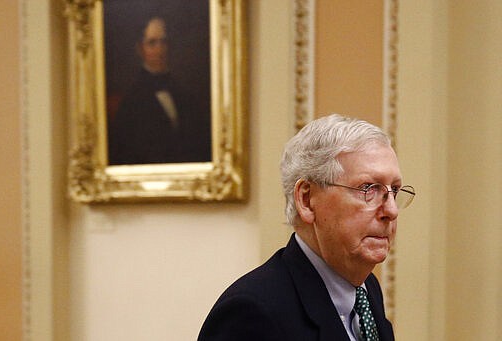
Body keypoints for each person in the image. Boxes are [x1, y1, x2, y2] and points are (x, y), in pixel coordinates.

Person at [198, 114, 416, 340]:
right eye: (368, 189)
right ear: (307, 199)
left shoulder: (366, 289)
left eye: (395, 190)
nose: (391, 211)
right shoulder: (252, 314)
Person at [108, 17, 211, 165]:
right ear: (140, 49)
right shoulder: (132, 101)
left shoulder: (183, 94)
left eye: (163, 42)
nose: (160, 49)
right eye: (152, 43)